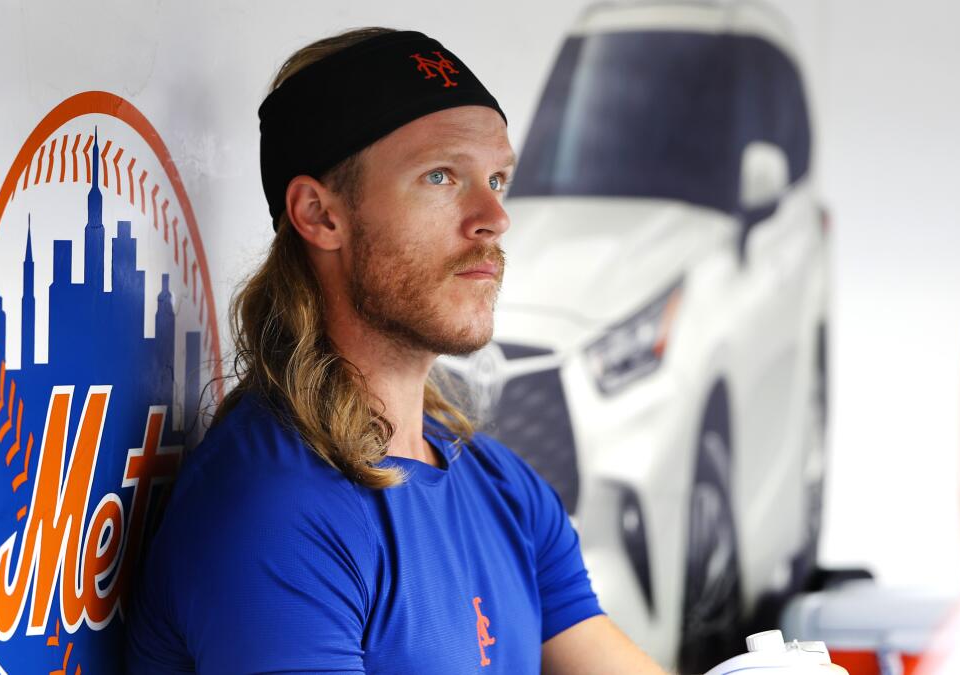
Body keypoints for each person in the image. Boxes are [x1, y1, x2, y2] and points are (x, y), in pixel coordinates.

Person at [125, 27, 668, 674]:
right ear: (320, 215)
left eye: (497, 176)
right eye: (441, 176)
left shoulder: (507, 492)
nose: (493, 215)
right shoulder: (273, 509)